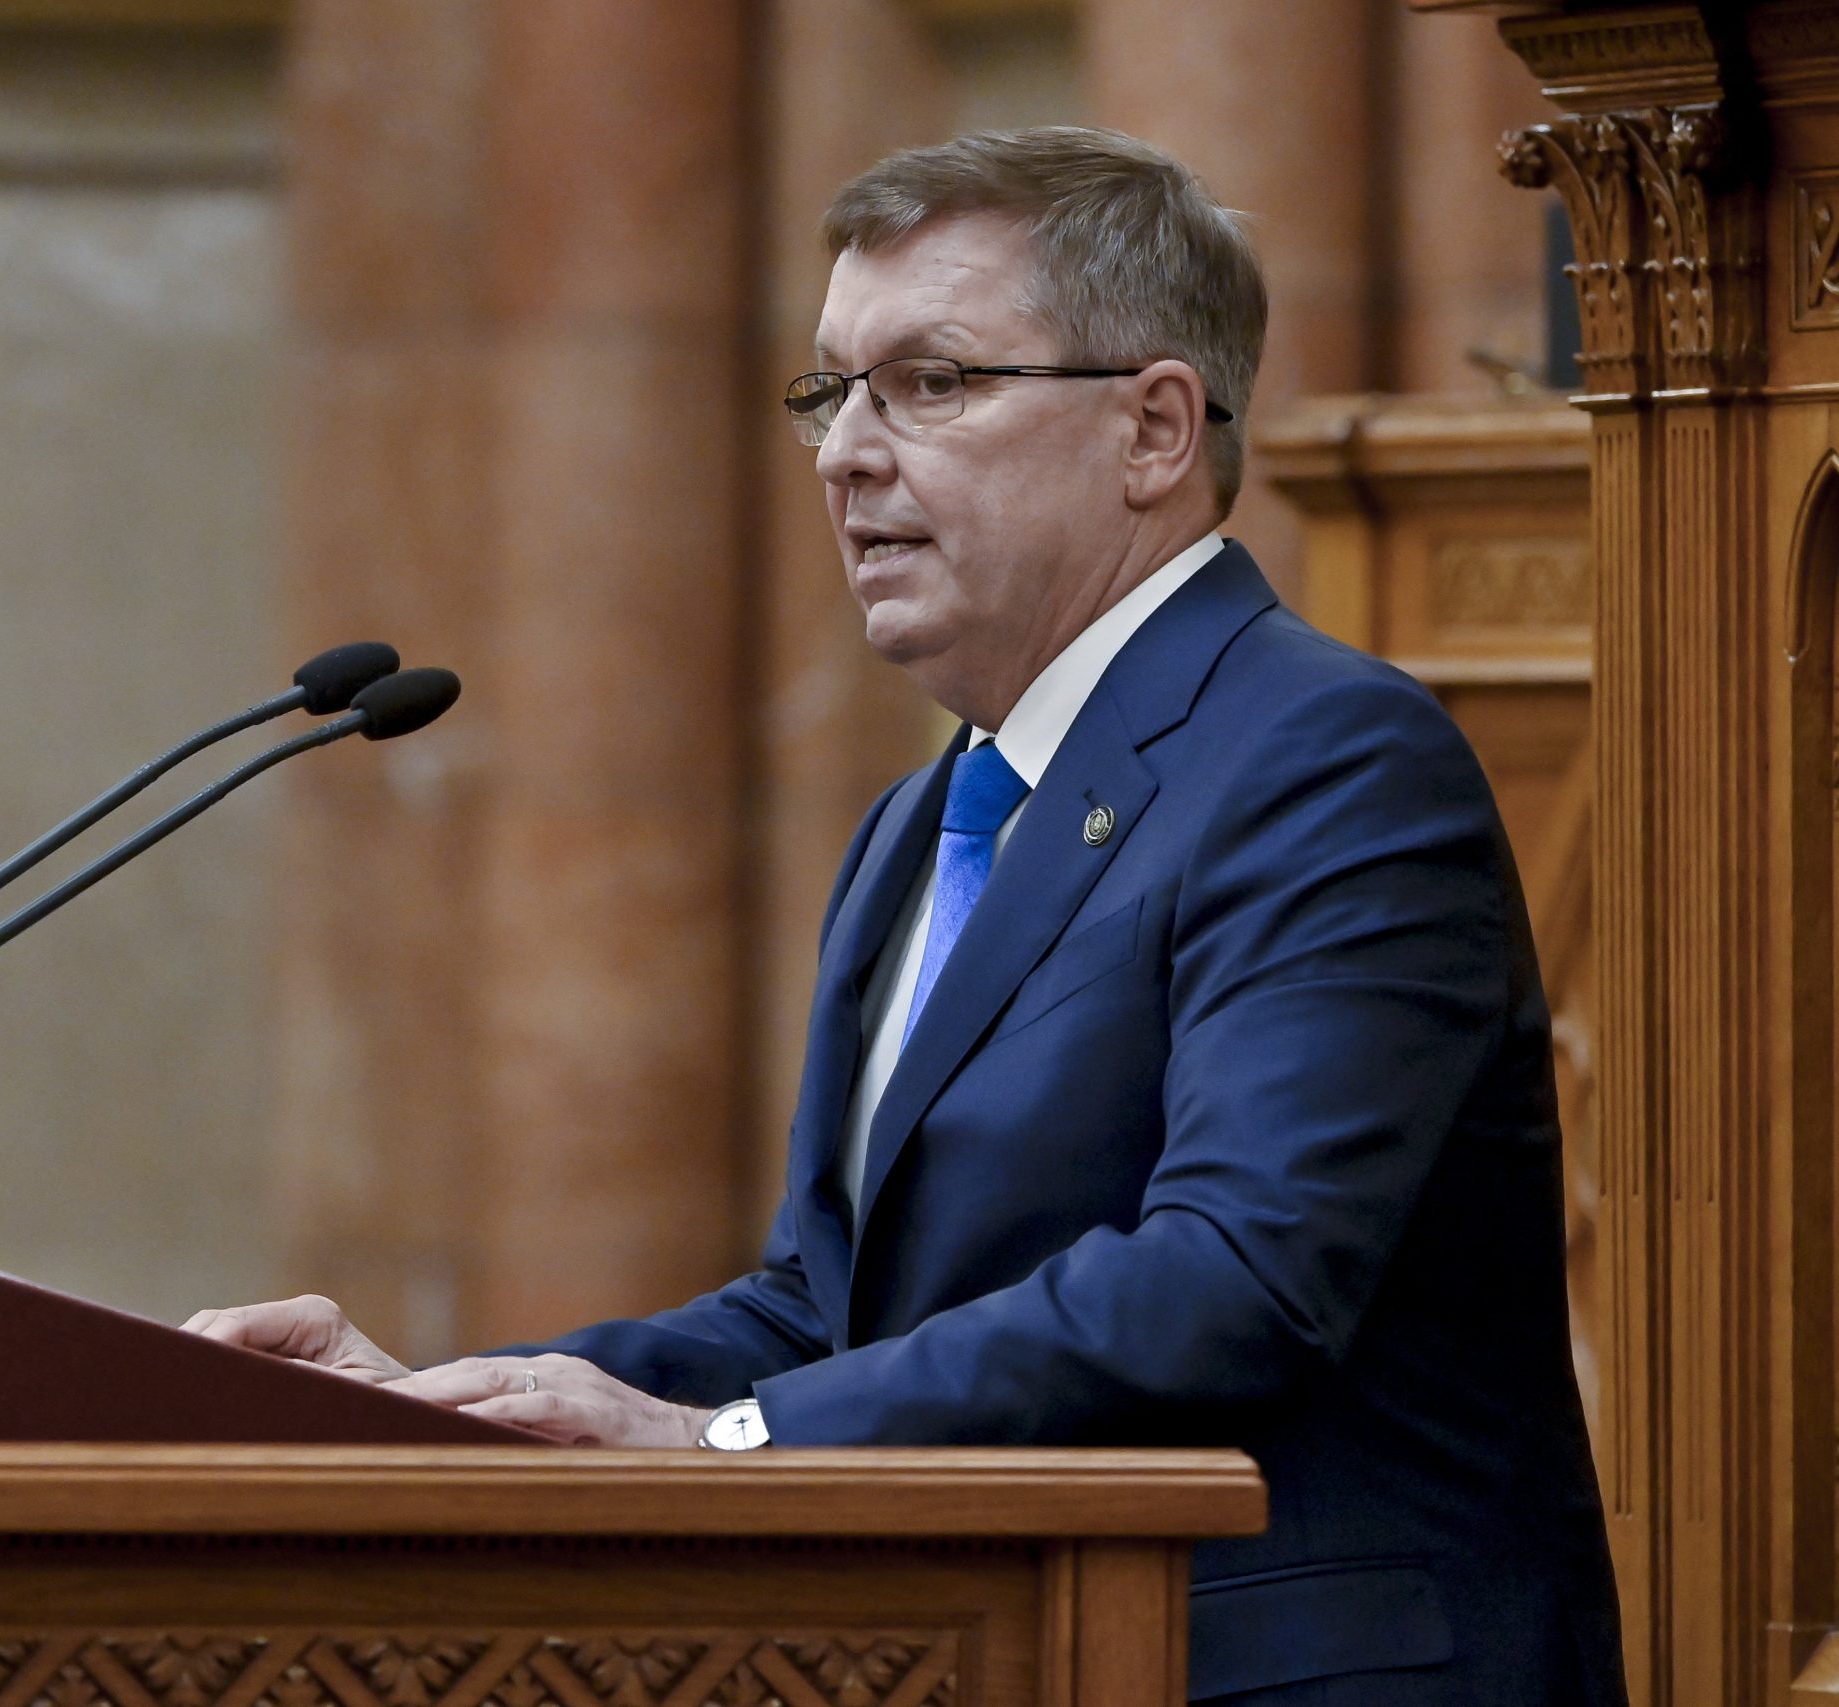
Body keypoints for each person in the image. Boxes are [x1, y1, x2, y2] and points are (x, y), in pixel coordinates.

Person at [187, 128, 1625, 1706]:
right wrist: (452, 1413)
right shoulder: (925, 820)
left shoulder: (1326, 758)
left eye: (929, 382)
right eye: (832, 391)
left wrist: (727, 1446)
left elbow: (1236, 1274)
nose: (844, 456)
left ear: (1154, 429)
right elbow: (829, 1306)